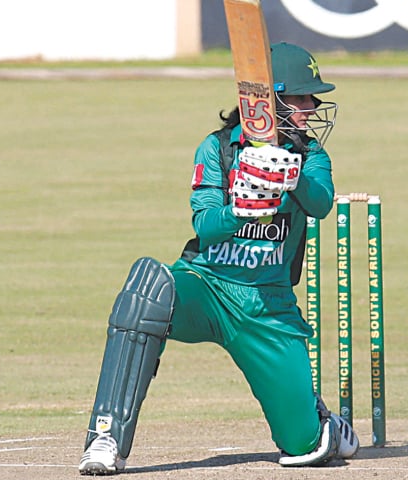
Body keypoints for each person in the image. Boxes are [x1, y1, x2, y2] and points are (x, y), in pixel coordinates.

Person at [78, 42, 358, 476]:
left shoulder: (312, 156)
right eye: (302, 97)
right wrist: (239, 209)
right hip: (205, 287)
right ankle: (106, 436)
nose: (311, 106)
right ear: (271, 101)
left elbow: (320, 204)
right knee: (147, 284)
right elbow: (207, 226)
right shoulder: (217, 149)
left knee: (303, 448)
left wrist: (289, 173)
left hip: (267, 307)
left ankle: (320, 419)